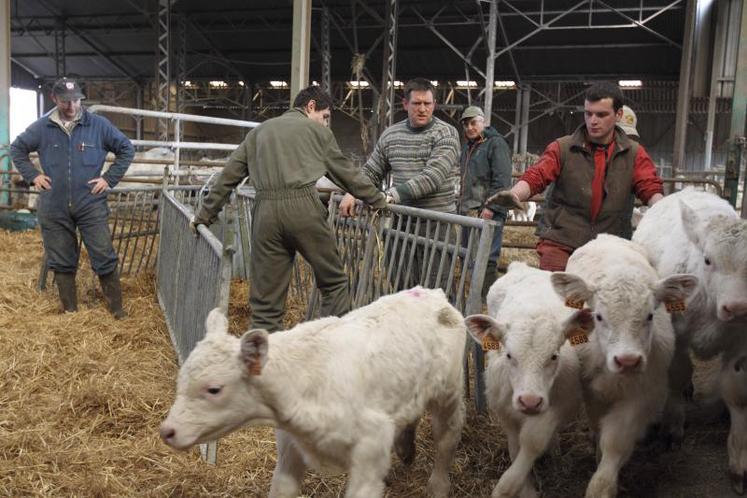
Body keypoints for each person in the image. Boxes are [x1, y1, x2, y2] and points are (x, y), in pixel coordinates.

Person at [190, 85, 387, 332]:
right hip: (303, 208)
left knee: (265, 305)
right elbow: (346, 174)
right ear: (311, 106)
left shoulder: (257, 133)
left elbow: (228, 177)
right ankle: (327, 348)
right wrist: (379, 201)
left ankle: (263, 363)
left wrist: (203, 216)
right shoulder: (317, 133)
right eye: (325, 117)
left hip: (265, 215)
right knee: (334, 283)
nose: (326, 124)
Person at [490, 82, 663, 271]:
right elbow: (537, 175)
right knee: (557, 297)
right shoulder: (563, 147)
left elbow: (650, 187)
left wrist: (665, 209)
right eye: (589, 114)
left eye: (601, 114)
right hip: (562, 244)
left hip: (610, 248)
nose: (593, 121)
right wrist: (515, 194)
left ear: (618, 115)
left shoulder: (635, 154)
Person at [10, 77, 134, 318]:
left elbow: (126, 148)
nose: (71, 106)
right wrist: (33, 175)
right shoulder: (42, 127)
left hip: (90, 204)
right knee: (61, 258)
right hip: (54, 205)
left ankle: (117, 311)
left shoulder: (98, 125)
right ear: (54, 99)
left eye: (76, 100)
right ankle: (70, 312)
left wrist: (108, 179)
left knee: (103, 254)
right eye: (66, 101)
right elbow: (17, 148)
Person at [339, 78, 460, 290]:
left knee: (436, 290)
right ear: (405, 104)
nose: (422, 109)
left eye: (427, 104)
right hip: (402, 223)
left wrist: (388, 196)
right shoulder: (391, 135)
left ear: (434, 105)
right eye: (416, 103)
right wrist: (353, 192)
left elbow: (432, 177)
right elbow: (372, 170)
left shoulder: (446, 134)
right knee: (402, 287)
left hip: (437, 225)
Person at [458, 105, 513, 297]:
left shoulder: (495, 144)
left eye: (473, 123)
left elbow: (502, 179)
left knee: (488, 255)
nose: (470, 128)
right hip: (469, 210)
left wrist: (491, 206)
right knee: (469, 254)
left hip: (487, 210)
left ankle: (486, 298)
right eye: (466, 125)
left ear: (483, 122)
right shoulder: (468, 148)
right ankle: (474, 295)